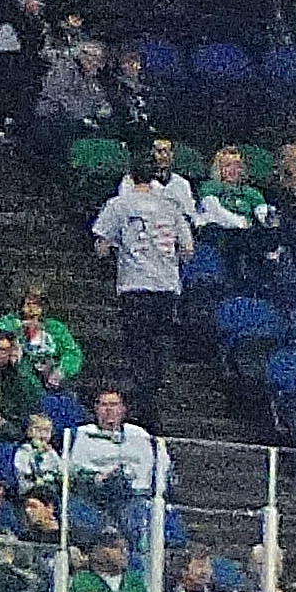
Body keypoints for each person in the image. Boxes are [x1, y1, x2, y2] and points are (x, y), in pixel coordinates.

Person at [88, 151, 195, 426]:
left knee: (139, 347)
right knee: (159, 344)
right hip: (167, 286)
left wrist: (115, 248)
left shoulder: (119, 204)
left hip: (135, 285)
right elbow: (187, 249)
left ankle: (145, 404)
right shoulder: (171, 206)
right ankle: (152, 396)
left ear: (129, 175)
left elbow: (100, 245)